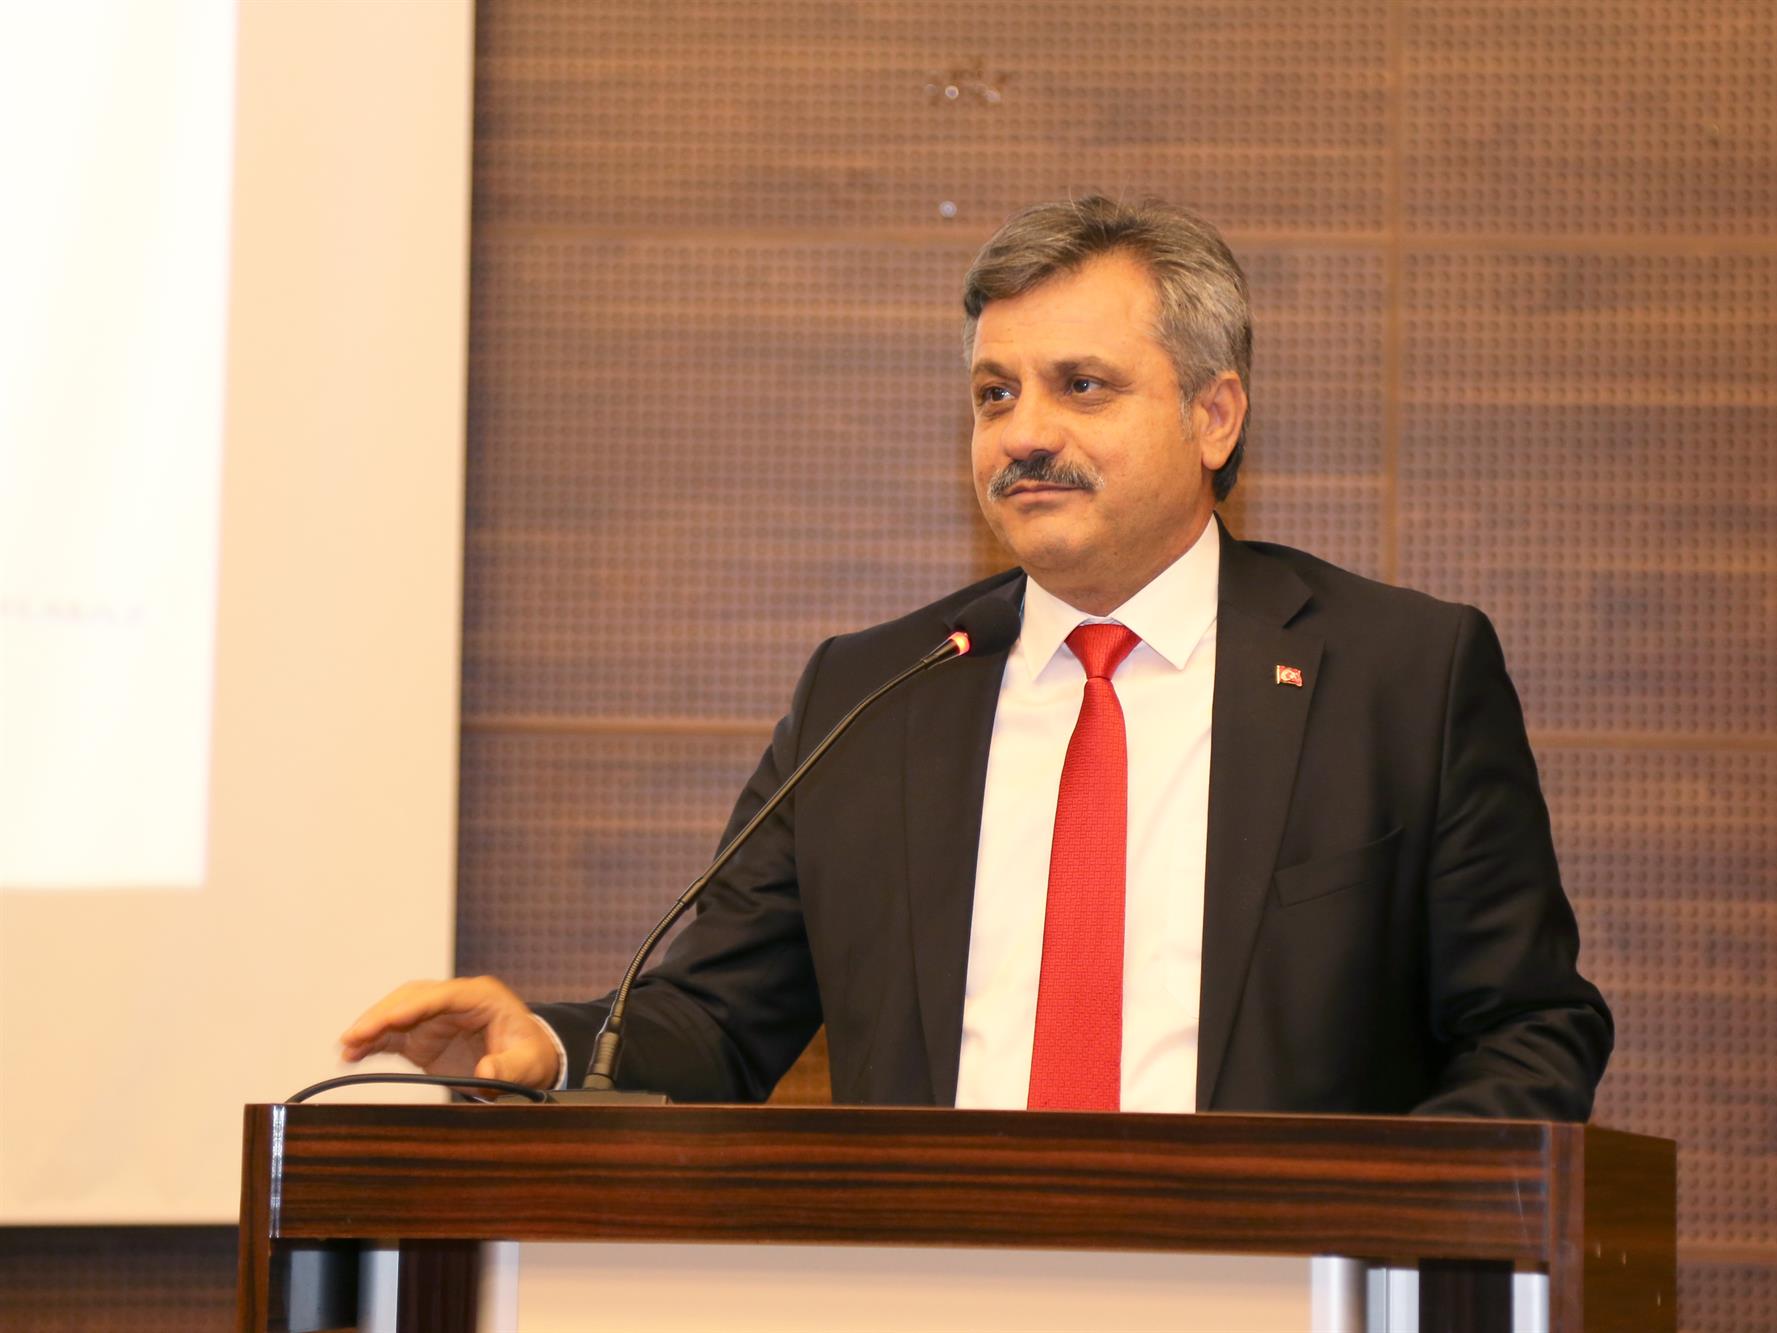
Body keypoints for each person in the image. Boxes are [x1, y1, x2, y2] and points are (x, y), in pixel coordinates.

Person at [342, 197, 1612, 1119]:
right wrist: (549, 1047)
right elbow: (717, 1019)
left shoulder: (1399, 676)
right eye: (995, 394)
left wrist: (1381, 1228)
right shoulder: (874, 694)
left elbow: (1525, 1028)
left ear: (1213, 415)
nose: (1022, 434)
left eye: (1081, 386)